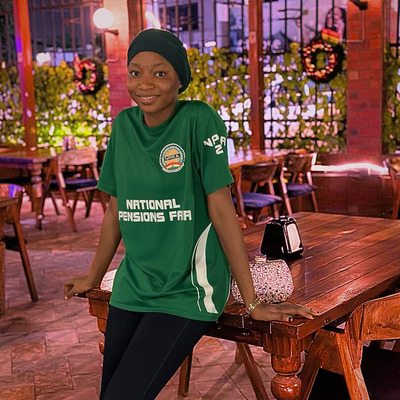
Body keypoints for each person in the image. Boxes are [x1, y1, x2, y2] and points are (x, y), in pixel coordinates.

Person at [64, 28, 318, 400]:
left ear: (180, 80)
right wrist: (94, 276)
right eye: (135, 72)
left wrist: (252, 302)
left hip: (189, 289)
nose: (145, 83)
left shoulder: (198, 120)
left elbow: (222, 211)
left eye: (160, 72)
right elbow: (115, 210)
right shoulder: (123, 126)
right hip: (134, 284)